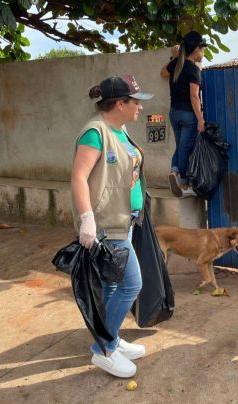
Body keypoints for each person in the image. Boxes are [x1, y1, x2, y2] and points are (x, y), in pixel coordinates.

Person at [71, 74, 153, 378]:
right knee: (132, 284)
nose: (140, 108)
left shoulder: (120, 130)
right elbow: (79, 177)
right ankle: (104, 349)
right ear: (119, 103)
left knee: (112, 286)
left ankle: (112, 339)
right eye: (136, 102)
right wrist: (87, 219)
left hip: (125, 220)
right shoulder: (96, 132)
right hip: (107, 226)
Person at [160, 30, 207, 197]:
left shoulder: (176, 65)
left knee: (181, 147)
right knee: (185, 149)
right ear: (196, 49)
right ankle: (185, 184)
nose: (203, 52)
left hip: (174, 113)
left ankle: (175, 171)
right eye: (203, 48)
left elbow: (163, 73)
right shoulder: (194, 70)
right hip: (188, 115)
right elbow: (194, 97)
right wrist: (201, 120)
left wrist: (175, 57)